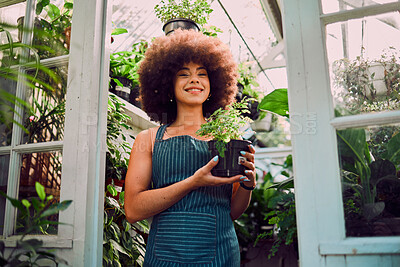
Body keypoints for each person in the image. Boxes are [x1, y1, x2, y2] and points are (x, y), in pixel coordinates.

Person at [124, 29, 256, 266]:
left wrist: (247, 185)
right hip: (165, 256)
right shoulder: (148, 139)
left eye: (202, 74)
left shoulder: (229, 138)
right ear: (167, 84)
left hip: (220, 255)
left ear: (213, 83)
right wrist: (193, 182)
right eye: (184, 74)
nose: (194, 80)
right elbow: (133, 210)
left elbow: (233, 212)